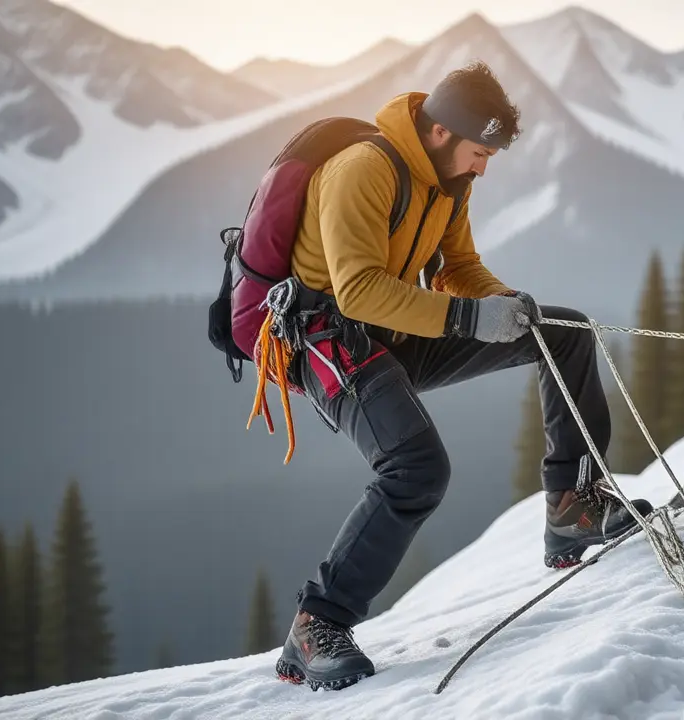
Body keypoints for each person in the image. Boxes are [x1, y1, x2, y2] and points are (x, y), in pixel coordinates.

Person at [271, 60, 651, 691]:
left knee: (564, 333)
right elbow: (359, 290)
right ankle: (316, 625)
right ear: (443, 133)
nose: (483, 167)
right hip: (328, 342)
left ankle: (570, 508)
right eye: (481, 151)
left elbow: (461, 265)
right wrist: (472, 317)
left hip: (399, 327)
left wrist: (507, 307)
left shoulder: (447, 182)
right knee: (416, 469)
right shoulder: (362, 170)